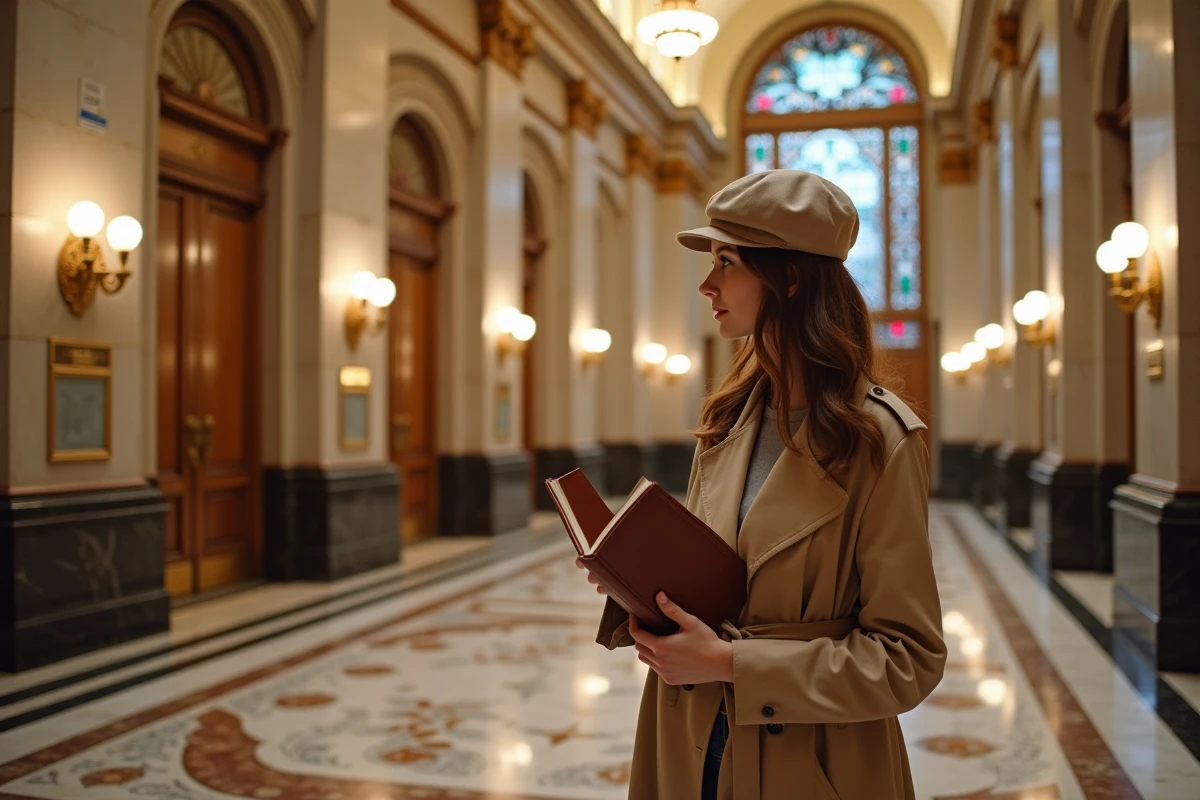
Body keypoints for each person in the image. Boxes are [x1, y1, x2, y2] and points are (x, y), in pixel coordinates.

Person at [577, 169, 946, 799]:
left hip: (810, 759)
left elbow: (907, 660)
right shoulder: (727, 419)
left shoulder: (879, 440)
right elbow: (719, 582)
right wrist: (634, 582)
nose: (707, 284)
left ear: (791, 278)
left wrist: (732, 663)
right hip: (686, 740)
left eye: (727, 262)